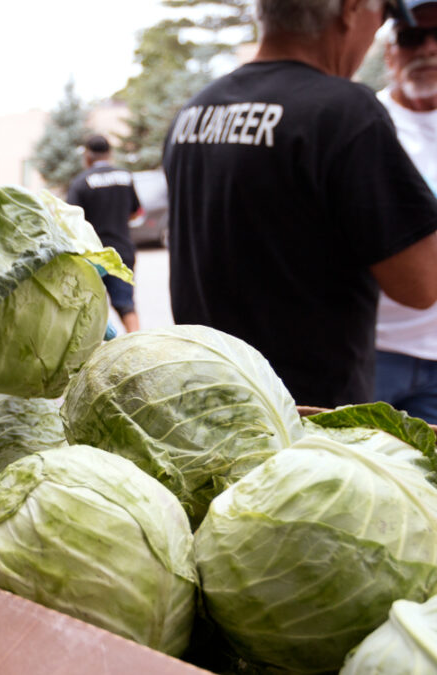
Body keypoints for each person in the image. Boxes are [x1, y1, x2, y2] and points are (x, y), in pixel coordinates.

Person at [163, 0, 437, 409]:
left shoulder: (195, 111)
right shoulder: (345, 111)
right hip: (311, 419)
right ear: (350, 10)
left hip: (211, 404)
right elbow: (420, 284)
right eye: (380, 15)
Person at [375, 0, 437, 423]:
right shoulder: (365, 124)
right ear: (390, 52)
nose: (428, 49)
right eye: (412, 37)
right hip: (375, 352)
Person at [66, 134, 142, 334]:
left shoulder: (81, 182)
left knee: (91, 308)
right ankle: (138, 343)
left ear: (88, 156)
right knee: (126, 304)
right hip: (122, 251)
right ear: (109, 154)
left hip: (93, 255)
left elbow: (71, 220)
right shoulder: (126, 176)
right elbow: (136, 211)